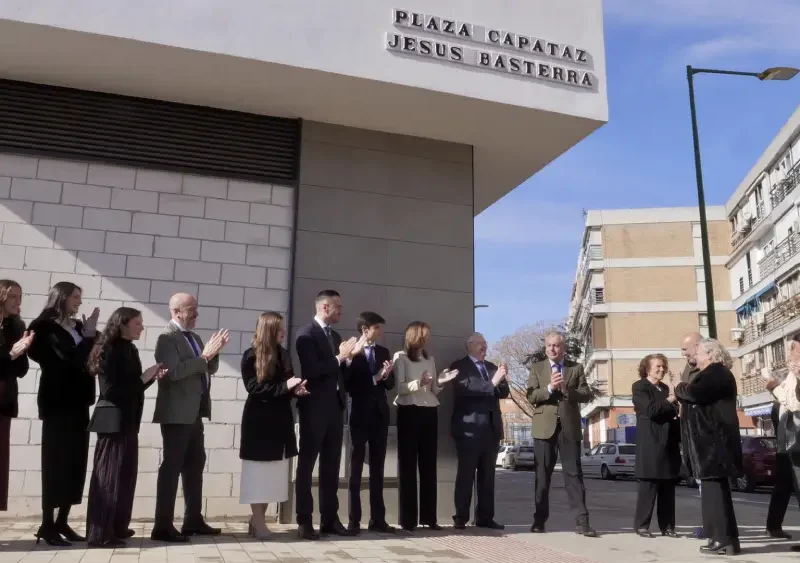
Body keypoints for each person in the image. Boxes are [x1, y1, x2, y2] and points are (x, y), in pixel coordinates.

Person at [151, 293, 230, 543]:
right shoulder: (167, 338)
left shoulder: (194, 337)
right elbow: (174, 373)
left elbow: (209, 367)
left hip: (195, 412)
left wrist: (213, 354)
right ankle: (162, 525)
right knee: (172, 467)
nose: (197, 314)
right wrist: (204, 357)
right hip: (176, 413)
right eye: (192, 309)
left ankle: (192, 519)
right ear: (177, 312)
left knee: (195, 465)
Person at [85, 307, 166, 548]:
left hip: (129, 420)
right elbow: (110, 392)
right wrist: (144, 378)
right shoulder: (107, 348)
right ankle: (100, 534)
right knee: (108, 478)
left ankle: (117, 526)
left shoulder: (129, 348)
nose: (142, 327)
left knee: (125, 476)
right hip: (112, 423)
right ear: (123, 323)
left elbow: (132, 389)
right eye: (137, 323)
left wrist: (150, 378)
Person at [28, 282, 99, 546]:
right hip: (58, 404)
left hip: (79, 403)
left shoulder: (78, 326)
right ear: (61, 297)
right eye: (75, 297)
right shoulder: (43, 326)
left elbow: (92, 353)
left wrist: (93, 335)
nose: (79, 302)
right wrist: (90, 336)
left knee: (75, 463)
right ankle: (47, 524)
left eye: (80, 297)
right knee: (55, 463)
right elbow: (68, 357)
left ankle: (62, 521)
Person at [294, 290, 363, 540]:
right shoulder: (306, 335)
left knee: (331, 465)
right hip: (314, 408)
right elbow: (312, 370)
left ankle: (329, 519)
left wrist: (348, 360)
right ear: (325, 308)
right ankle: (304, 520)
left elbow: (337, 373)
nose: (342, 312)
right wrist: (340, 357)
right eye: (338, 307)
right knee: (307, 465)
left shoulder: (335, 336)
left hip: (334, 407)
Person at [239, 311, 307, 540]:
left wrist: (296, 389)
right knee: (258, 472)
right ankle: (259, 522)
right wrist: (286, 386)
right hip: (259, 422)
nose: (283, 332)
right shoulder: (251, 356)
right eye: (279, 328)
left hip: (280, 420)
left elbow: (286, 383)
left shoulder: (283, 354)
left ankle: (256, 521)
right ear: (269, 330)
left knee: (273, 474)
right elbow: (254, 389)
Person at [674, 338, 742, 555]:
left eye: (700, 352)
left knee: (715, 494)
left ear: (711, 355)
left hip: (714, 444)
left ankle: (720, 539)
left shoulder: (717, 373)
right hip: (709, 444)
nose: (696, 356)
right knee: (715, 492)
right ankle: (727, 540)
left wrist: (679, 386)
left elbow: (696, 394)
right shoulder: (712, 374)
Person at [526, 330, 596, 537]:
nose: (552, 349)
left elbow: (586, 394)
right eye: (549, 345)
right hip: (544, 428)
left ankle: (582, 522)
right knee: (542, 476)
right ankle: (539, 521)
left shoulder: (576, 368)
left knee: (574, 475)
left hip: (569, 428)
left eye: (556, 345)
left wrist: (566, 390)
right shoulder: (537, 368)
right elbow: (531, 396)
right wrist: (549, 387)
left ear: (563, 348)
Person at [394, 321, 457, 532]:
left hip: (430, 411)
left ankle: (429, 518)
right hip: (409, 410)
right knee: (408, 465)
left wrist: (441, 380)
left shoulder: (430, 358)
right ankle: (408, 520)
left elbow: (434, 390)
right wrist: (418, 383)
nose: (428, 338)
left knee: (429, 465)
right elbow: (401, 388)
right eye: (424, 335)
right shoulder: (400, 358)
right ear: (415, 336)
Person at [450, 332, 507, 530]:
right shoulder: (459, 366)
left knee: (488, 476)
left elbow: (503, 392)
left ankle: (485, 517)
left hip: (490, 430)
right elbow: (468, 389)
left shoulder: (491, 367)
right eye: (481, 344)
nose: (485, 347)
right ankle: (460, 517)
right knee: (466, 474)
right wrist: (493, 382)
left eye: (486, 343)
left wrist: (502, 378)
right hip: (469, 430)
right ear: (470, 345)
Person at [345, 312, 395, 534]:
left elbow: (389, 384)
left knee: (378, 467)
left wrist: (386, 374)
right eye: (377, 327)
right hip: (360, 414)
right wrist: (375, 378)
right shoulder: (352, 351)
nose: (380, 331)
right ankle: (354, 520)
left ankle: (378, 520)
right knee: (356, 467)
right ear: (365, 330)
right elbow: (350, 385)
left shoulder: (383, 351)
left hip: (380, 415)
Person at [632, 354, 681, 538]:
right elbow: (650, 410)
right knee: (649, 486)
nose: (662, 369)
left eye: (663, 366)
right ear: (647, 368)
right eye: (658, 366)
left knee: (668, 488)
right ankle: (642, 525)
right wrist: (670, 400)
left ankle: (668, 526)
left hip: (668, 443)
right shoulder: (640, 387)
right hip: (651, 443)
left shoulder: (665, 388)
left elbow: (669, 411)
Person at [762, 333, 800, 553]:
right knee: (786, 484)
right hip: (788, 442)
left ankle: (773, 525)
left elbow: (794, 404)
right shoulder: (792, 376)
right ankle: (773, 525)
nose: (789, 354)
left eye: (793, 348)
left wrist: (774, 387)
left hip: (795, 440)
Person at [0, 280, 33, 513]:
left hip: (4, 402)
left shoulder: (15, 325)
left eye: (20, 296)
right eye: (13, 296)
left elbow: (21, 371)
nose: (18, 301)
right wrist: (11, 355)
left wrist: (21, 351)